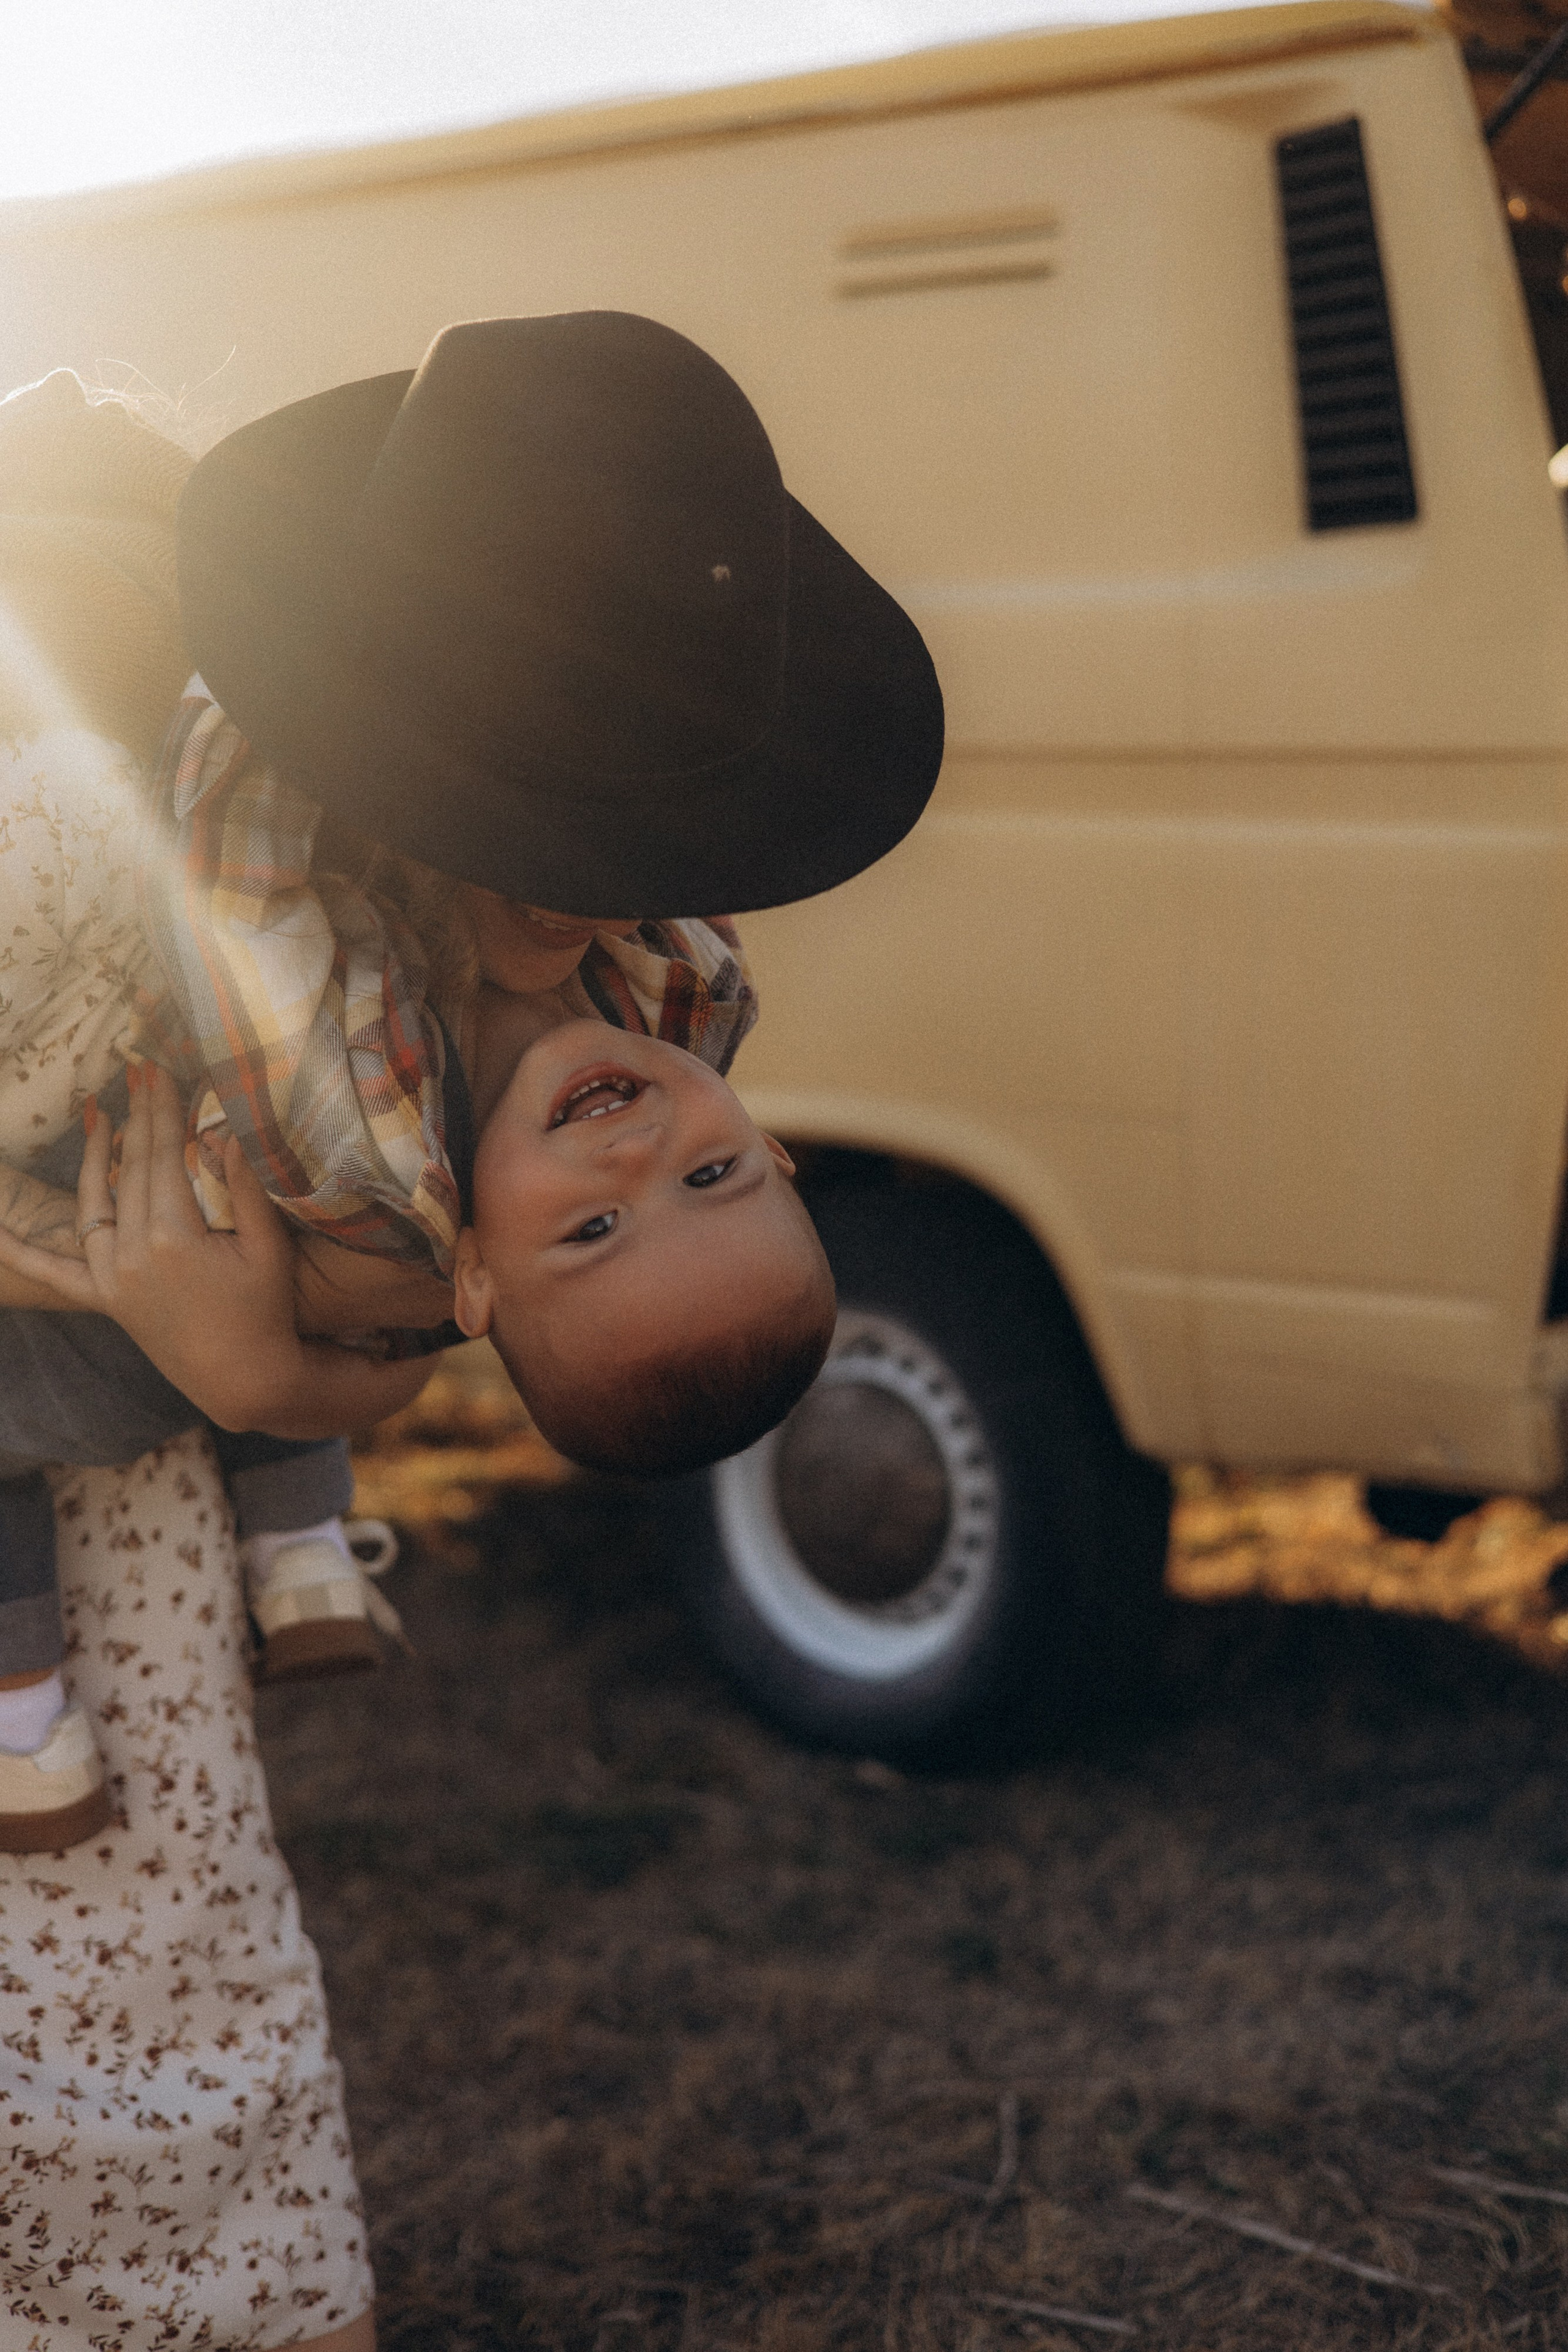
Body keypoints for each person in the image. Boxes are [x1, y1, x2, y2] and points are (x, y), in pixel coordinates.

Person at [0, 312, 942, 1855]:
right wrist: (268, 1372)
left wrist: (288, 1365)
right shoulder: (64, 763)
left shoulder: (424, 1095)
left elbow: (450, 1273)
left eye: (653, 838)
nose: (642, 1158)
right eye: (706, 1176)